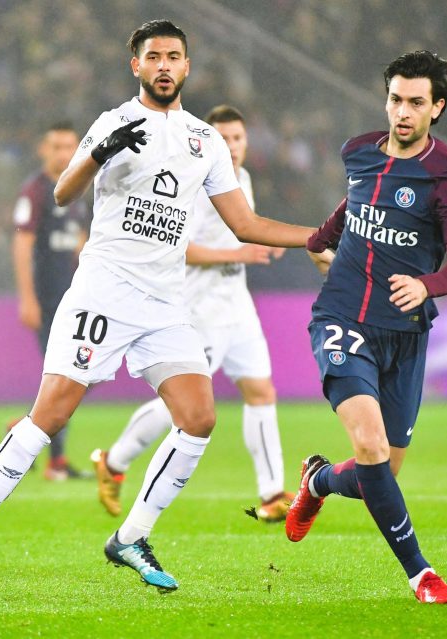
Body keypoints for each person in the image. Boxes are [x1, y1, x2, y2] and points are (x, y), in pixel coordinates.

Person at [0, 19, 313, 594]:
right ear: (135, 65)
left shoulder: (205, 141)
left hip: (164, 302)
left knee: (199, 417)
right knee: (50, 415)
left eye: (174, 56)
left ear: (187, 67)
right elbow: (63, 192)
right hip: (103, 292)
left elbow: (246, 224)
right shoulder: (113, 122)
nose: (164, 65)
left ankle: (130, 536)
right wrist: (98, 155)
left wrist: (321, 236)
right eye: (153, 56)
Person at [285, 50, 447, 605]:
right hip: (342, 318)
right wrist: (321, 241)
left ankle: (317, 482)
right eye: (396, 100)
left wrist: (426, 285)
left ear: (437, 107)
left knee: (381, 474)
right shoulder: (359, 151)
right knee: (367, 444)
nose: (403, 112)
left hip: (406, 332)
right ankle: (422, 575)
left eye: (417, 103)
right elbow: (354, 205)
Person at [91, 104, 292, 523]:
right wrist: (237, 253)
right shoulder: (196, 184)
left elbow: (247, 228)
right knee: (179, 407)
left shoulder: (243, 180)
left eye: (238, 138)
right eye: (225, 139)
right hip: (198, 309)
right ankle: (113, 461)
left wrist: (268, 245)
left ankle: (272, 492)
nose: (232, 146)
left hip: (237, 307)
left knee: (261, 392)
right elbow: (179, 248)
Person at [10, 123, 92, 481]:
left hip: (74, 300)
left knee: (78, 377)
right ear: (43, 150)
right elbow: (22, 244)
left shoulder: (80, 191)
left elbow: (84, 241)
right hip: (46, 300)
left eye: (69, 146)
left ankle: (23, 428)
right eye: (56, 145)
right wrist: (27, 298)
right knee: (63, 378)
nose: (63, 153)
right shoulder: (36, 191)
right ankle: (54, 462)